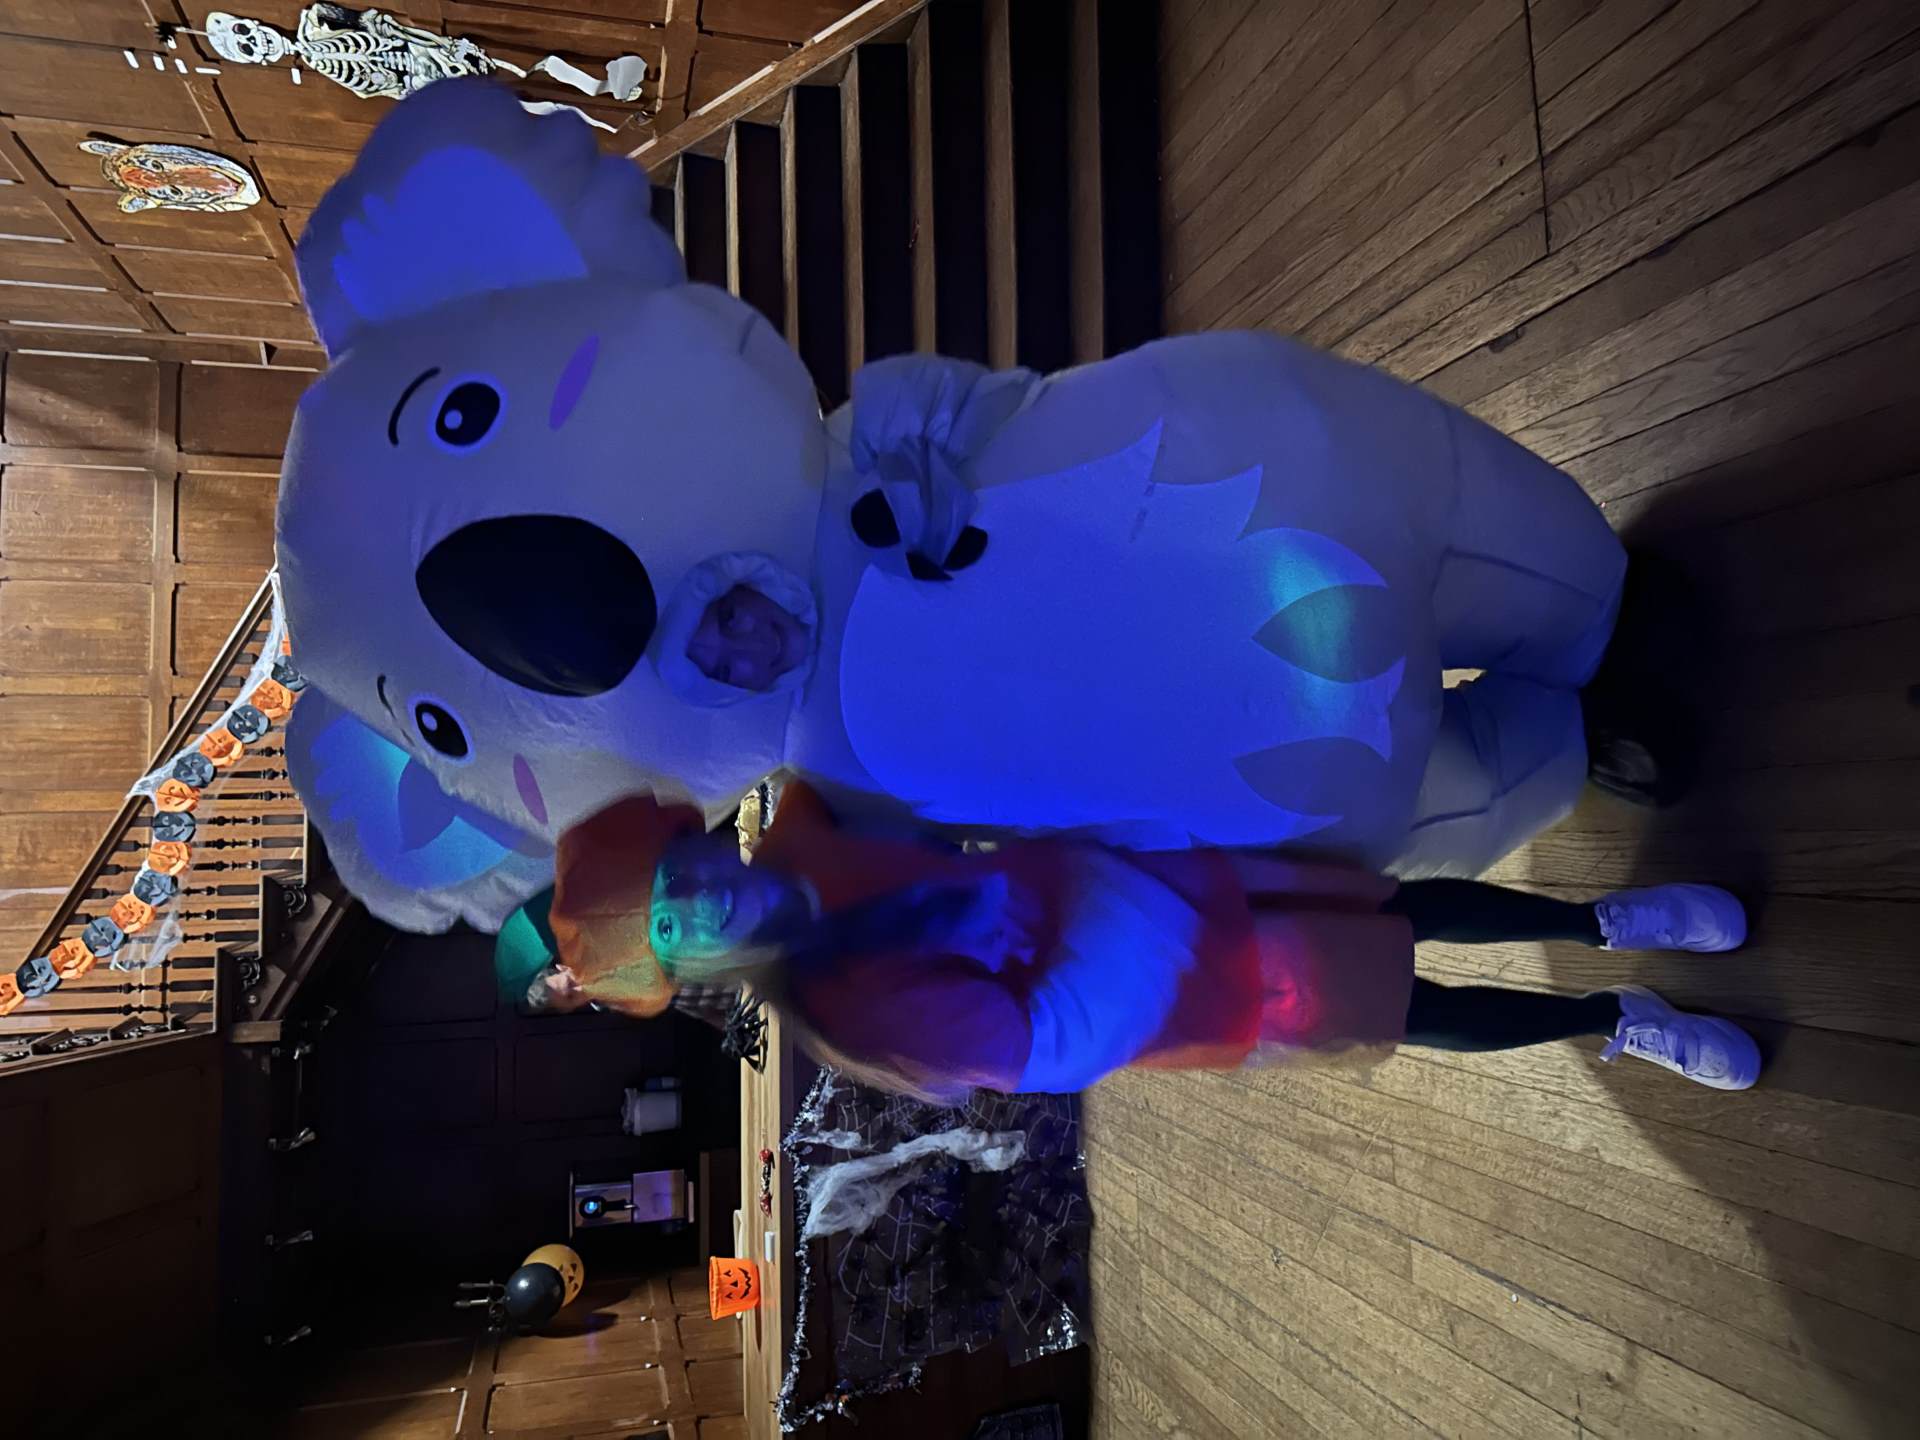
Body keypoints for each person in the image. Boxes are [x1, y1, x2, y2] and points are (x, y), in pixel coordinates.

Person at [530, 786, 1761, 1101]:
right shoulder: (845, 1008)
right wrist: (1120, 923)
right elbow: (1037, 1045)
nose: (703, 898)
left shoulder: (806, 819)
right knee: (1414, 1007)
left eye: (677, 873)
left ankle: (1607, 921)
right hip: (1180, 979)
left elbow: (927, 761)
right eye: (675, 924)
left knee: (1396, 907)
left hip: (1159, 867)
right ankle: (1615, 1018)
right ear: (690, 969)